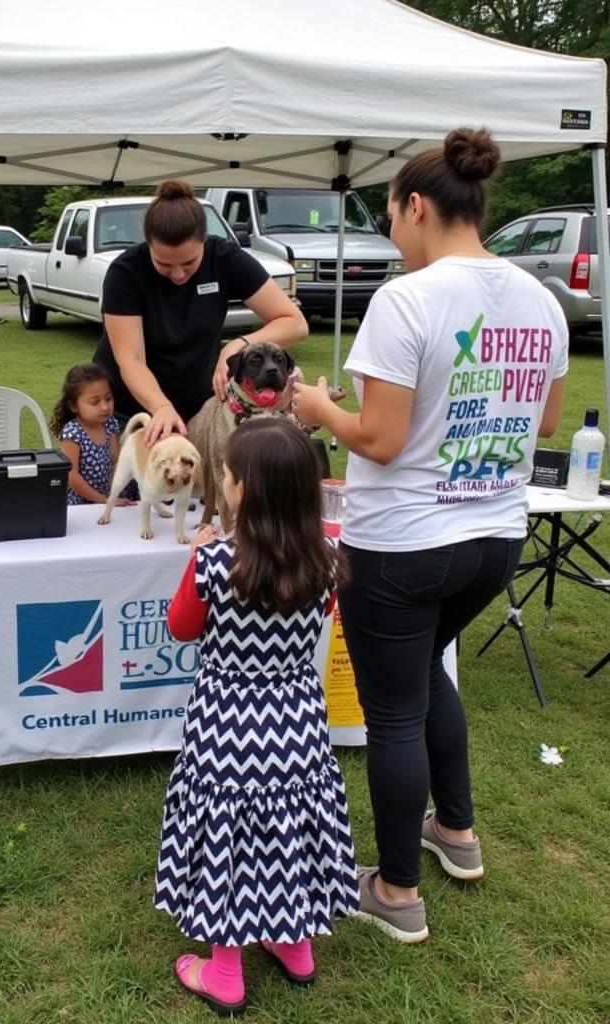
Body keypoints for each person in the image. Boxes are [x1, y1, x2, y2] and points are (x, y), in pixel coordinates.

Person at [293, 128, 568, 944]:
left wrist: (317, 410)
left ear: (417, 206)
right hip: (493, 537)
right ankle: (455, 831)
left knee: (393, 713)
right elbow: (545, 421)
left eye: (391, 220)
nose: (393, 236)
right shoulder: (542, 299)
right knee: (423, 678)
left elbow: (374, 439)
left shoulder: (406, 299)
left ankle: (396, 890)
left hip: (403, 543)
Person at [154, 417, 359, 1016]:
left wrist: (196, 562)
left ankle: (223, 973)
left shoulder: (214, 562)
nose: (219, 479)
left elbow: (181, 627)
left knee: (228, 838)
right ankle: (294, 947)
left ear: (244, 489)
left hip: (226, 723)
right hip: (296, 722)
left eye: (225, 474)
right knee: (285, 829)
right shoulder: (326, 558)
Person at [92, 179, 307, 447]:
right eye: (164, 264)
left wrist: (236, 347)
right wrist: (160, 407)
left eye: (189, 262)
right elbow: (131, 360)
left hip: (197, 406)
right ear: (148, 245)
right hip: (129, 409)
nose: (178, 274)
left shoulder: (224, 257)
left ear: (204, 240)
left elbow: (294, 323)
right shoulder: (125, 273)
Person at [51, 362, 130, 506]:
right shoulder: (73, 433)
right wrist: (100, 499)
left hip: (106, 498)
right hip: (80, 502)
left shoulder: (110, 424)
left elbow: (115, 460)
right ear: (74, 406)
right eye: (95, 402)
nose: (105, 407)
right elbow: (71, 474)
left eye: (108, 399)